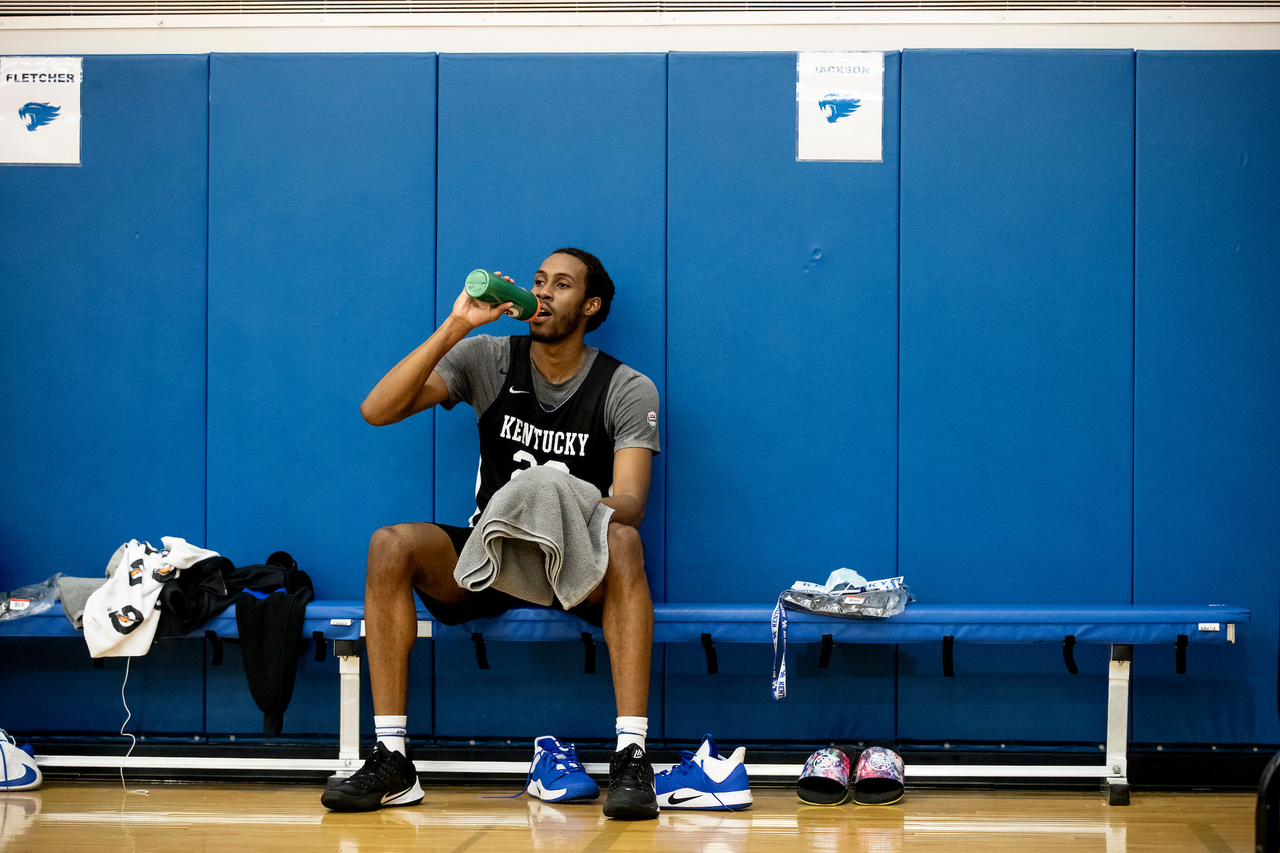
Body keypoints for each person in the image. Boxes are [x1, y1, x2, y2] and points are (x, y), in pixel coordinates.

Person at [322, 249, 661, 819]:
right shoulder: (490, 359)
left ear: (591, 304)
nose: (544, 294)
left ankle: (630, 757)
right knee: (390, 544)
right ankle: (393, 759)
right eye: (537, 282)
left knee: (624, 542)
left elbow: (630, 505)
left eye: (562, 284)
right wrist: (458, 324)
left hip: (571, 564)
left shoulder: (626, 387)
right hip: (491, 557)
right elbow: (377, 410)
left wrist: (554, 494)